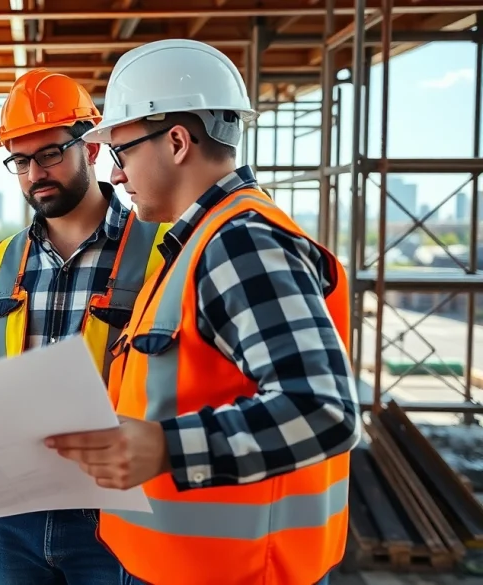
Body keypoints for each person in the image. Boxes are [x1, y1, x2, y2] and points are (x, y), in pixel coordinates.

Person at [44, 40, 360, 585]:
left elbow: (323, 409)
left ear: (176, 141)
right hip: (185, 565)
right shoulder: (196, 245)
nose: (116, 176)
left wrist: (164, 446)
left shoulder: (241, 243)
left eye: (121, 153)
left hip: (235, 573)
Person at [0, 68, 170, 585]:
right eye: (20, 160)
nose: (34, 173)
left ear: (90, 148)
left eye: (49, 154)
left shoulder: (162, 253)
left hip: (117, 513)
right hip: (11, 516)